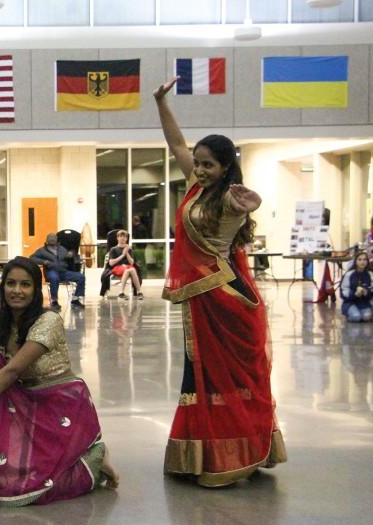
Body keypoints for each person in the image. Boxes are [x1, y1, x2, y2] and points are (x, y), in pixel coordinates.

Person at [154, 76, 286, 487]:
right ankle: (200, 453)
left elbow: (246, 201)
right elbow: (177, 144)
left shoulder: (229, 196)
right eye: (199, 162)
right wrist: (161, 103)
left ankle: (237, 453)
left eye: (209, 164)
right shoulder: (196, 185)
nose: (200, 168)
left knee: (232, 377)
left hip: (225, 295)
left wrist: (245, 198)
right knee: (200, 374)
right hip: (202, 297)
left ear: (226, 167)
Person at [0, 257, 118, 506]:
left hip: (59, 405)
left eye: (25, 285)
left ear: (36, 290)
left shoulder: (48, 321)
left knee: (19, 486)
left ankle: (92, 458)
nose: (17, 291)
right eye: (11, 284)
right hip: (23, 399)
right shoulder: (4, 326)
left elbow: (13, 370)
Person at [29, 232, 86, 309]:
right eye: (50, 238)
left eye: (54, 238)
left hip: (64, 272)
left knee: (81, 277)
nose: (52, 239)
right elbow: (32, 258)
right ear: (47, 241)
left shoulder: (62, 249)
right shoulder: (42, 250)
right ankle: (54, 301)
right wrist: (43, 261)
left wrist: (71, 255)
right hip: (51, 271)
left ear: (57, 240)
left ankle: (75, 299)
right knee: (54, 278)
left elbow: (73, 257)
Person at [104, 230, 143, 300]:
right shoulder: (113, 249)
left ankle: (138, 292)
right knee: (130, 270)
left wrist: (127, 252)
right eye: (121, 236)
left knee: (131, 269)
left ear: (127, 239)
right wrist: (122, 255)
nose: (123, 238)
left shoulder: (129, 249)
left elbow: (131, 263)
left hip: (128, 267)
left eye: (124, 237)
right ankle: (123, 292)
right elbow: (111, 263)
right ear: (117, 238)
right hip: (117, 267)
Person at [340, 251, 373, 322]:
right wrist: (354, 294)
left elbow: (372, 290)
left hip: (364, 303)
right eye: (359, 259)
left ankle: (361, 314)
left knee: (367, 317)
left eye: (365, 259)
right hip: (350, 302)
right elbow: (343, 291)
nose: (362, 262)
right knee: (356, 317)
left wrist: (367, 292)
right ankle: (350, 314)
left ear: (367, 261)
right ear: (355, 261)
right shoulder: (349, 274)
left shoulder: (370, 274)